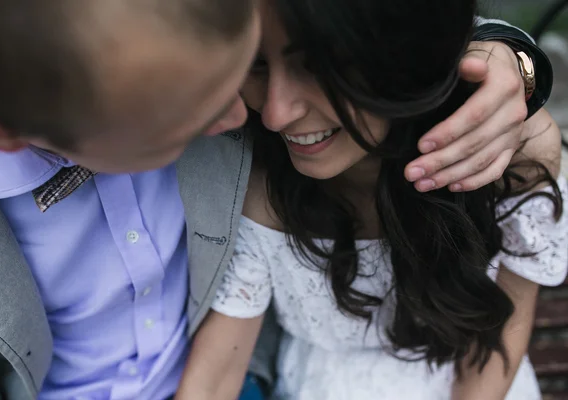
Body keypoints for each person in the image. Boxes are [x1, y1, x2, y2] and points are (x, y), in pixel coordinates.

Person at [0, 0, 556, 399]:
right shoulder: (267, 176)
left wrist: (511, 54)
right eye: (250, 70)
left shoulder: (505, 155)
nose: (255, 116)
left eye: (313, 70)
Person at [175, 0, 567, 399]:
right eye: (257, 64)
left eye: (317, 67)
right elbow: (216, 372)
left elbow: (496, 347)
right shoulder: (259, 185)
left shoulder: (511, 159)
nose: (276, 114)